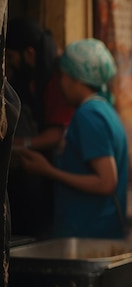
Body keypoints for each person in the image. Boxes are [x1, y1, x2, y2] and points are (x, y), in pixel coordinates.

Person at [16, 38, 129, 239]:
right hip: (95, 232)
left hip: (88, 233)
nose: (60, 84)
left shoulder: (89, 114)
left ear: (74, 78)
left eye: (62, 77)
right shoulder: (104, 110)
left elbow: (106, 182)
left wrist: (48, 170)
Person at [6, 18, 75, 238]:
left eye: (10, 57)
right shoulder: (30, 79)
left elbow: (55, 135)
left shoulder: (57, 78)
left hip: (49, 175)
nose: (8, 63)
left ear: (29, 53)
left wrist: (18, 144)